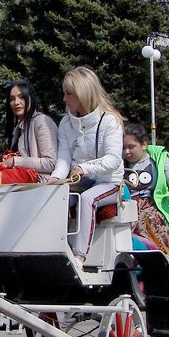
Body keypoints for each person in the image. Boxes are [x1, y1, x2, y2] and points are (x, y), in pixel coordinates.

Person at [47, 66, 124, 264]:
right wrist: (56, 178)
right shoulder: (65, 124)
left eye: (68, 94)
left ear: (83, 93)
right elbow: (64, 159)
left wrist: (84, 168)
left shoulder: (110, 121)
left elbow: (114, 159)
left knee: (87, 199)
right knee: (56, 198)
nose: (64, 99)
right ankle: (53, 250)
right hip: (79, 182)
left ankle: (79, 256)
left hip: (109, 183)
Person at [122, 122, 169, 268]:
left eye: (131, 147)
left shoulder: (158, 159)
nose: (126, 152)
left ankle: (164, 258)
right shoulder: (119, 163)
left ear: (143, 145)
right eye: (123, 147)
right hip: (125, 204)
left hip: (151, 205)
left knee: (148, 219)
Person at [0, 80, 57, 180]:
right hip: (19, 185)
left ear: (31, 98)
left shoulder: (42, 122)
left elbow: (51, 163)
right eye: (12, 99)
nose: (16, 103)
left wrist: (15, 161)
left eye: (21, 97)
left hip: (41, 185)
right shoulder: (18, 128)